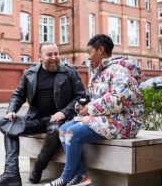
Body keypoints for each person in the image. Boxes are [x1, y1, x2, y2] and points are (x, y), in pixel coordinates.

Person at [46, 34, 144, 186]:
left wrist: (90, 109)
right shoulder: (100, 72)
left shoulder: (119, 70)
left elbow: (118, 100)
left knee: (73, 133)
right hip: (109, 117)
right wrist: (83, 106)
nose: (88, 57)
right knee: (63, 129)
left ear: (101, 50)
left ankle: (66, 177)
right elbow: (95, 98)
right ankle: (80, 176)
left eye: (89, 52)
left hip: (125, 121)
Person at [0, 42, 86, 186]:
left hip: (58, 120)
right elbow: (18, 95)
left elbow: (80, 97)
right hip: (35, 118)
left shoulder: (70, 72)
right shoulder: (30, 73)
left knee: (54, 130)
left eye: (56, 54)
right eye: (49, 55)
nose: (54, 57)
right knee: (9, 126)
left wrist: (64, 112)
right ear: (39, 57)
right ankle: (11, 174)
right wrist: (11, 111)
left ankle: (38, 169)